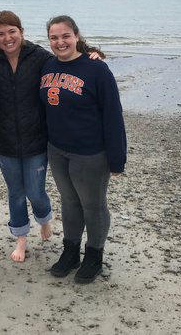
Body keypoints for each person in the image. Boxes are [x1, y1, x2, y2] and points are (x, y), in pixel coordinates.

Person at [0, 11, 105, 262]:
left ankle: (44, 217)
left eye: (12, 31)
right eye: (1, 33)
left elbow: (67, 55)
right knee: (15, 192)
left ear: (22, 31)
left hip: (36, 138)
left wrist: (91, 52)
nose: (8, 38)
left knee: (35, 192)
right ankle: (21, 240)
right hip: (4, 138)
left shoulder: (39, 57)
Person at [39, 15, 127, 284]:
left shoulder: (97, 70)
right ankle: (70, 252)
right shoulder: (46, 66)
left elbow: (113, 114)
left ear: (76, 36)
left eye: (65, 35)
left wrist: (117, 159)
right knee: (69, 202)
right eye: (54, 37)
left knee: (93, 205)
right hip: (57, 149)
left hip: (90, 153)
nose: (60, 41)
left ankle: (94, 256)